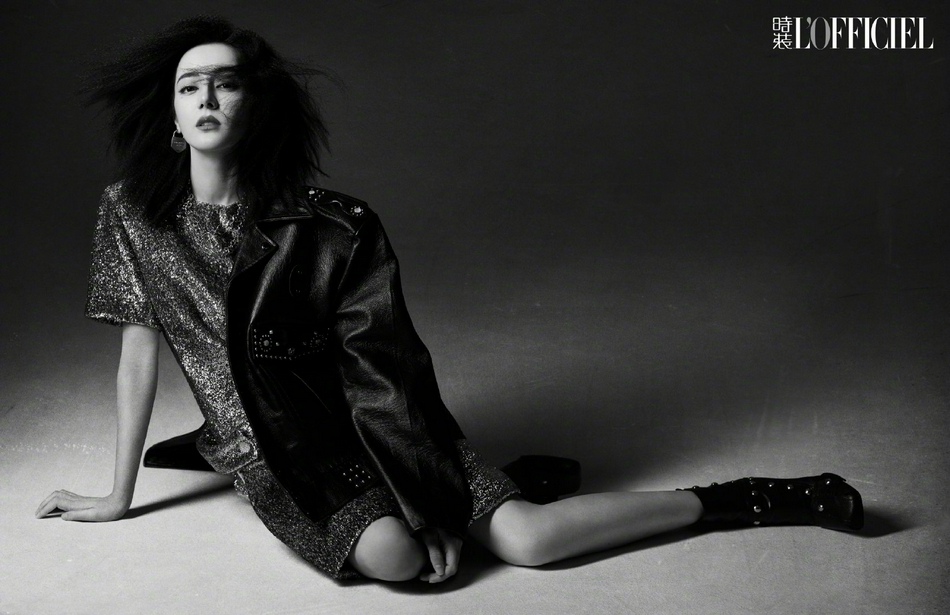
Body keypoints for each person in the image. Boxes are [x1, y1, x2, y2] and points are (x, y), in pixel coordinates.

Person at [35, 16, 863, 584]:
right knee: (396, 560)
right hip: (278, 450)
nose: (208, 99)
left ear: (257, 109)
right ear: (173, 118)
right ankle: (512, 479)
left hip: (376, 422)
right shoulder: (131, 213)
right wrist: (117, 494)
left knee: (529, 543)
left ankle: (744, 498)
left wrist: (425, 493)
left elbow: (381, 373)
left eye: (226, 84)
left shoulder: (335, 226)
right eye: (190, 87)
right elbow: (138, 351)